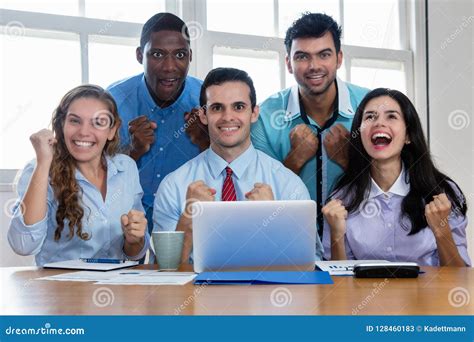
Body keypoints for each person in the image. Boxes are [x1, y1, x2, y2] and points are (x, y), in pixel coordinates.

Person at [154, 67, 323, 263]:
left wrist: (273, 222)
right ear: (202, 115)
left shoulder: (288, 185)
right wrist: (188, 220)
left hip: (266, 294)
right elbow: (165, 273)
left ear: (254, 113)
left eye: (239, 107)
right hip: (198, 294)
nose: (228, 117)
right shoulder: (174, 185)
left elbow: (310, 267)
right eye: (217, 107)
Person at [251, 13, 369, 238]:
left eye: (324, 54)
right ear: (288, 63)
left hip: (359, 243)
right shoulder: (265, 116)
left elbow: (388, 190)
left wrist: (348, 161)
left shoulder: (370, 109)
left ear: (339, 58)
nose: (314, 66)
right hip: (288, 242)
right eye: (302, 56)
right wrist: (295, 159)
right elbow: (259, 198)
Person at [322, 88, 471, 267]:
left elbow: (460, 281)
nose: (379, 123)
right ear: (360, 133)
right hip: (366, 296)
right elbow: (339, 288)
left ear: (408, 135)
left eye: (391, 116)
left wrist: (442, 231)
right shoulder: (341, 199)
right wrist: (337, 236)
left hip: (428, 296)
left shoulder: (443, 193)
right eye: (370, 117)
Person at [8, 85, 150, 266]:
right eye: (75, 121)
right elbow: (23, 245)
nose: (84, 132)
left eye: (98, 122)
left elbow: (134, 254)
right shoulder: (40, 169)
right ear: (61, 125)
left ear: (112, 130)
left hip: (115, 288)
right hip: (61, 289)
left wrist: (134, 240)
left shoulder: (126, 168)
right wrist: (44, 163)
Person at [107, 12, 202, 232]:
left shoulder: (207, 100)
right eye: (157, 54)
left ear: (190, 56)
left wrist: (205, 142)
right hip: (122, 219)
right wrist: (133, 150)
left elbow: (229, 168)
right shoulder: (113, 100)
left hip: (187, 221)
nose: (169, 66)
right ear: (140, 55)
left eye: (179, 54)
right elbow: (94, 176)